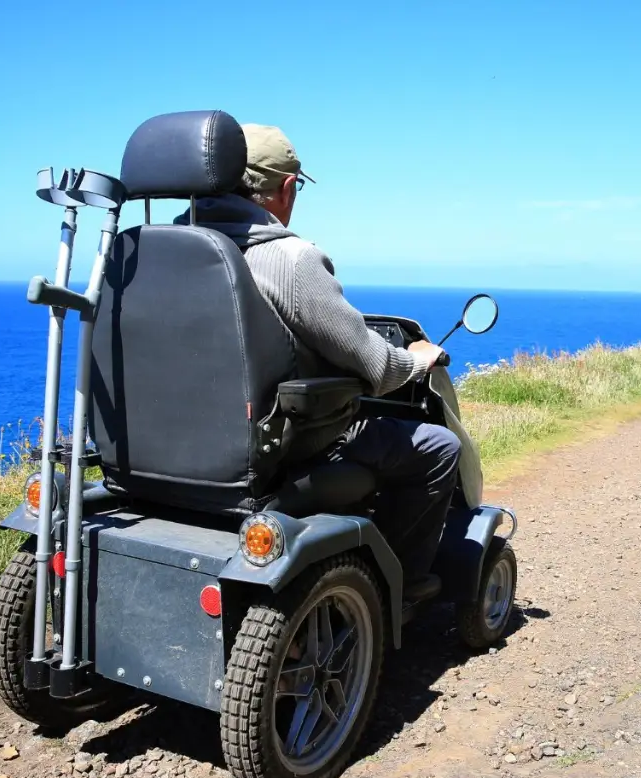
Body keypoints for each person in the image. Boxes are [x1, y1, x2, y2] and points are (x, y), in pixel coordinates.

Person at [174, 123, 459, 595]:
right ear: (286, 188)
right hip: (268, 453)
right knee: (437, 448)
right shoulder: (290, 260)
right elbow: (377, 367)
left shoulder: (146, 250)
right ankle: (398, 586)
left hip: (166, 444)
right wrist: (417, 360)